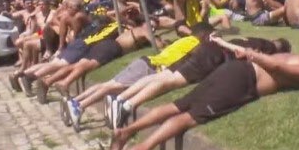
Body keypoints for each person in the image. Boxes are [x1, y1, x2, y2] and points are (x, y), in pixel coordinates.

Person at [109, 45, 299, 150]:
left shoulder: (296, 56)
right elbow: (277, 67)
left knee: (179, 105)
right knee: (190, 117)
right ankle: (141, 149)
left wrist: (251, 56)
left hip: (233, 70)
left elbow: (279, 65)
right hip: (242, 79)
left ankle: (127, 131)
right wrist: (253, 54)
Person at [110, 33, 291, 130]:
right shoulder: (267, 47)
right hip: (213, 56)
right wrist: (224, 44)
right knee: (171, 81)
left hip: (206, 49)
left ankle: (122, 99)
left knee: (163, 76)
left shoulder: (255, 38)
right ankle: (128, 105)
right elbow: (242, 51)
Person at [63, 23, 214, 131]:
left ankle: (76, 102)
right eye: (210, 36)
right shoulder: (195, 43)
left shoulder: (185, 40)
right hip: (150, 66)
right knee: (111, 86)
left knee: (109, 85)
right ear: (204, 34)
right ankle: (79, 106)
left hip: (145, 62)